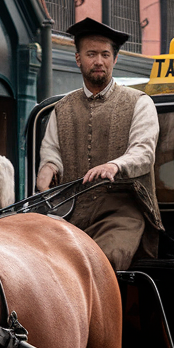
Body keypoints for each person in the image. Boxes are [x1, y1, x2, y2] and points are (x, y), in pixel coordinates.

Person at [36, 17, 163, 271]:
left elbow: (144, 152)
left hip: (120, 215)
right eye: (91, 54)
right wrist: (48, 167)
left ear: (115, 59)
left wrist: (115, 166)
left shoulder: (140, 102)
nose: (98, 61)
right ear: (78, 59)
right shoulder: (61, 109)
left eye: (105, 54)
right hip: (70, 216)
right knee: (41, 265)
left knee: (102, 262)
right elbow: (52, 152)